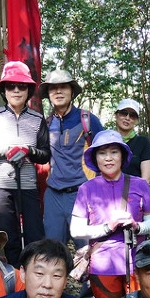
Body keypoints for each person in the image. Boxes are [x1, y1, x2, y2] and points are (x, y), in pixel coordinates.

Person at [70, 130, 150, 298]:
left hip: (138, 263)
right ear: (95, 158)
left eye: (114, 152)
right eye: (102, 153)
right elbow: (76, 230)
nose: (108, 158)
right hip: (102, 265)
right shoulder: (87, 189)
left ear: (123, 156)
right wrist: (107, 227)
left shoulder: (139, 185)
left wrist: (137, 226)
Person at [0, 61, 50, 265]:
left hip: (27, 185)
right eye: (11, 86)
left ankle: (33, 273)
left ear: (29, 91)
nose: (16, 90)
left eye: (22, 86)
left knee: (35, 234)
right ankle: (13, 276)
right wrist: (4, 151)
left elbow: (45, 154)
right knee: (7, 236)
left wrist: (29, 151)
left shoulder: (38, 119)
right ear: (4, 90)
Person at [38, 70, 104, 248]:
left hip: (82, 194)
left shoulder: (88, 120)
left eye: (63, 87)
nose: (58, 91)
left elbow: (106, 155)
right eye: (53, 88)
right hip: (53, 195)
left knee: (89, 250)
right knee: (52, 250)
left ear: (72, 91)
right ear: (48, 94)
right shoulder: (47, 123)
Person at [113, 99, 150, 181]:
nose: (127, 118)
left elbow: (145, 180)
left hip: (133, 188)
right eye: (123, 113)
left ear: (136, 120)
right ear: (116, 115)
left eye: (132, 115)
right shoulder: (106, 140)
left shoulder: (143, 142)